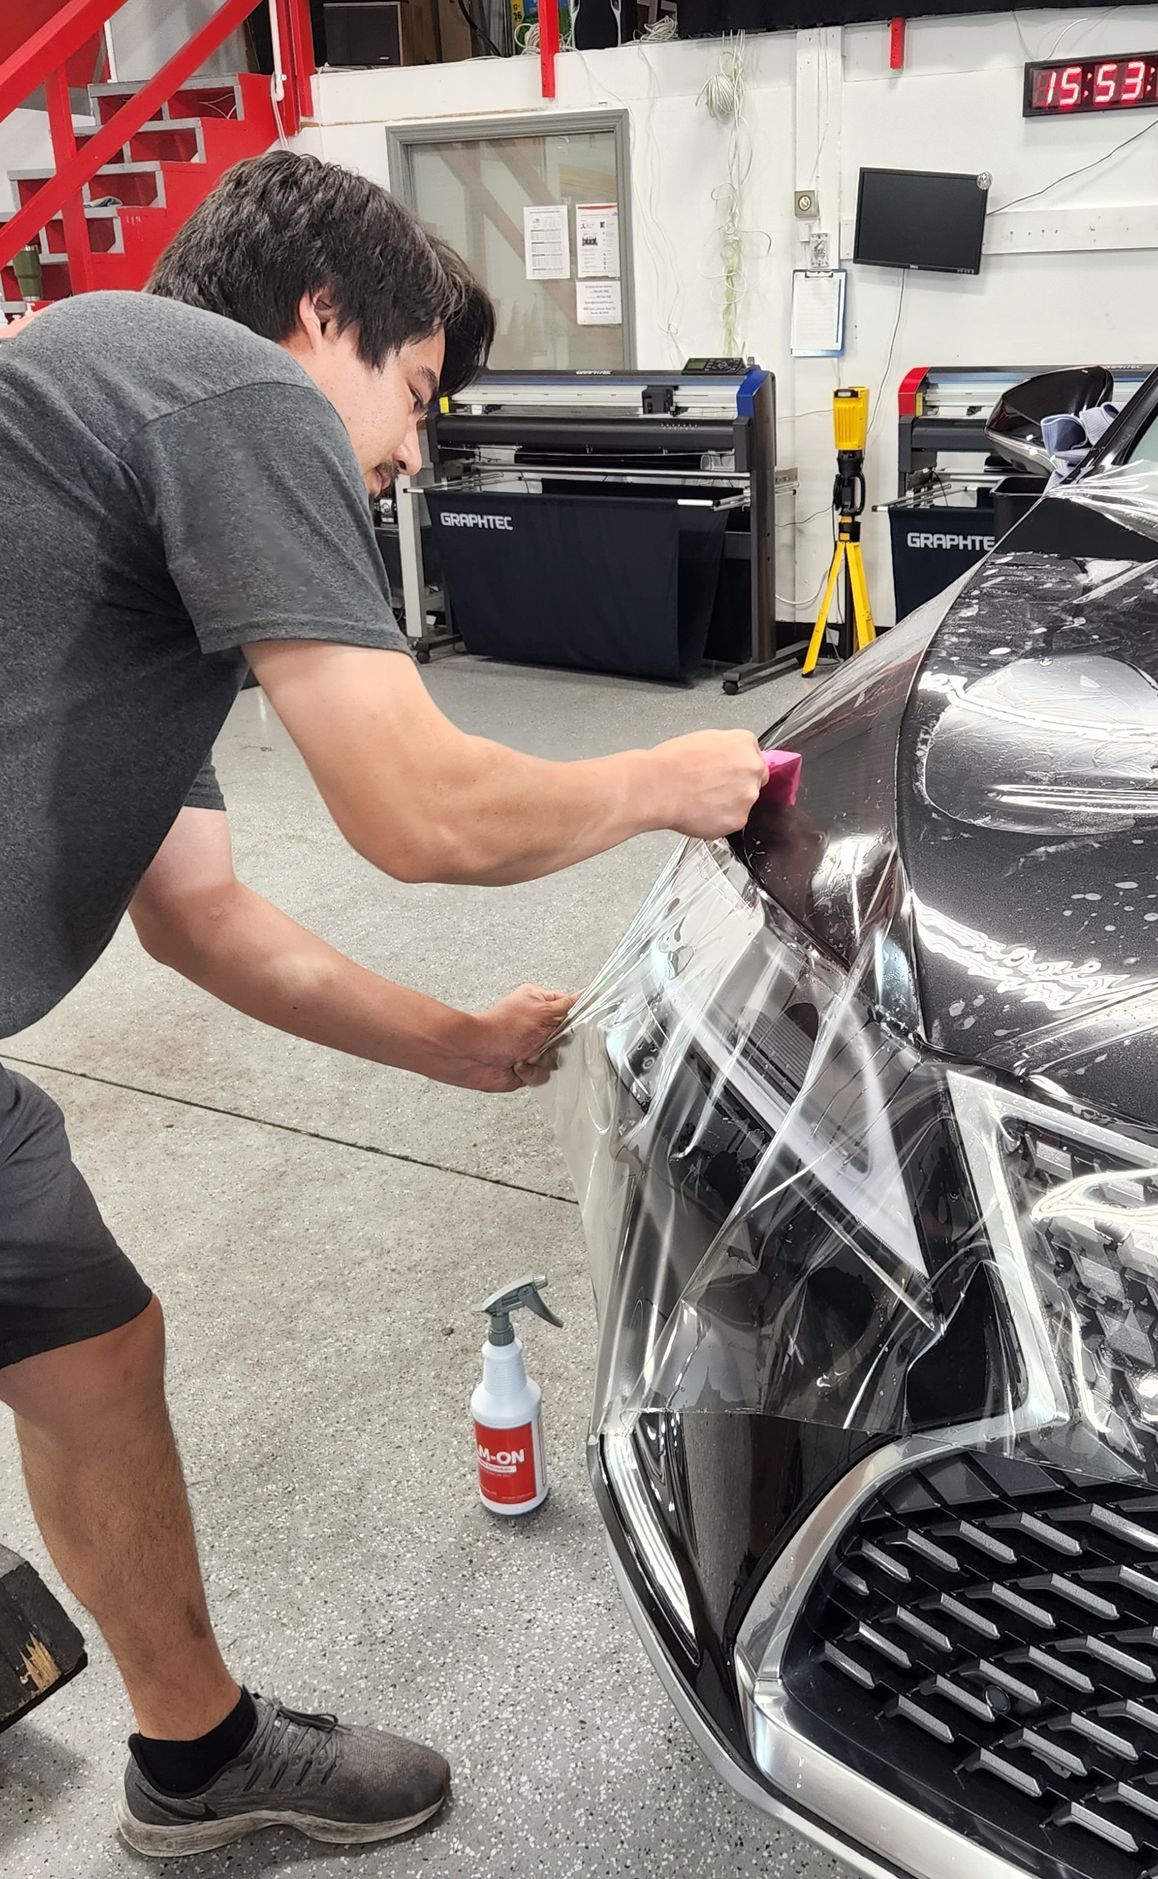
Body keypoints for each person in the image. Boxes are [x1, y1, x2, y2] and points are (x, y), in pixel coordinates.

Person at [0, 150, 767, 1856]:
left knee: (86, 1342)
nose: (414, 451)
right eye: (416, 393)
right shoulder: (222, 386)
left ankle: (192, 1764)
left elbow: (200, 919)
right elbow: (416, 811)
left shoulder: (111, 463)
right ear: (322, 317)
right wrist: (667, 779)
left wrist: (458, 1042)